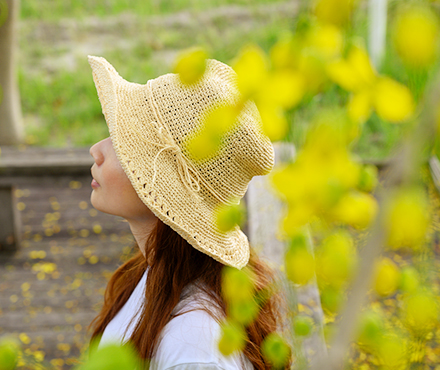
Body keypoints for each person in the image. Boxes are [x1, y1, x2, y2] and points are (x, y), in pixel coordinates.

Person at [86, 55, 290, 370]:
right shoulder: (156, 272)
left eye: (123, 144)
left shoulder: (194, 348)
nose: (97, 150)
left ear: (161, 188)